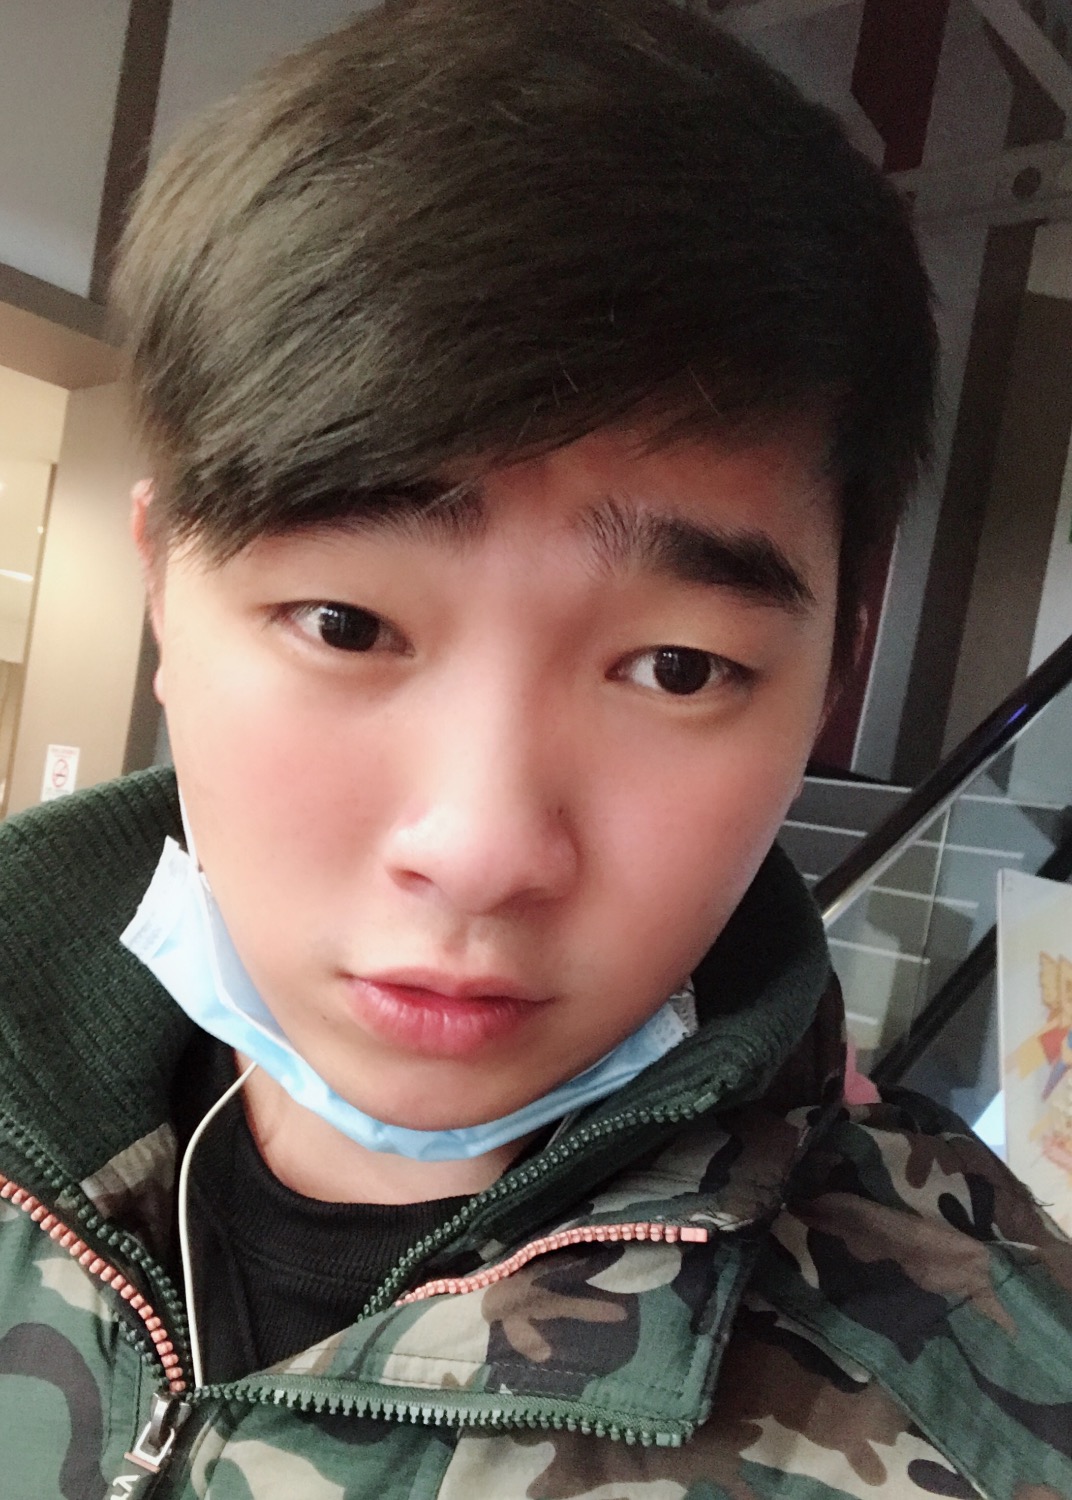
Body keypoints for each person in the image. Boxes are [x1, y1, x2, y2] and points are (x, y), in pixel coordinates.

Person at [1, 1, 1070, 1495]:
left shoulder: (995, 1408)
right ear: (163, 589)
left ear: (838, 666)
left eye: (677, 668)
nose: (482, 848)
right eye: (347, 625)